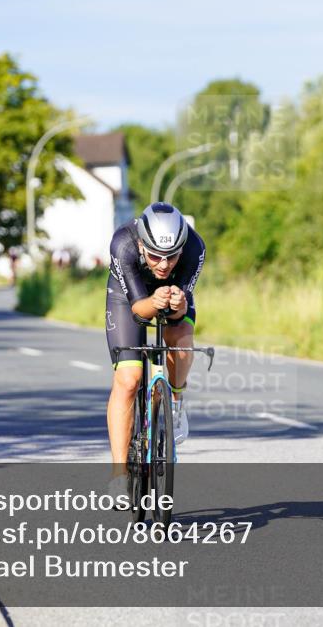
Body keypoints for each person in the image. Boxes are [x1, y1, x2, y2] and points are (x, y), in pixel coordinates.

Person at [104, 202, 205, 497]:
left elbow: (178, 314)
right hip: (127, 296)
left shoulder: (195, 247)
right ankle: (119, 475)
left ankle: (175, 400)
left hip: (173, 294)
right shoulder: (123, 244)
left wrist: (177, 304)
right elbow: (139, 309)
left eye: (172, 256)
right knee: (128, 379)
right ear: (141, 243)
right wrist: (155, 300)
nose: (163, 264)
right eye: (155, 255)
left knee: (183, 337)